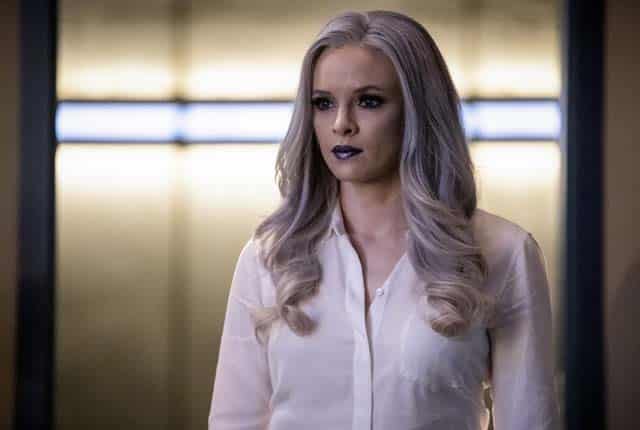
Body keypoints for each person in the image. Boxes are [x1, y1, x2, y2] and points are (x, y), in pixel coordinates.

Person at [208, 10, 560, 430]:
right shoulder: (269, 257)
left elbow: (529, 421)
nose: (342, 124)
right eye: (323, 103)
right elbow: (235, 422)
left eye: (369, 101)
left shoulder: (503, 252)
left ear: (417, 110)